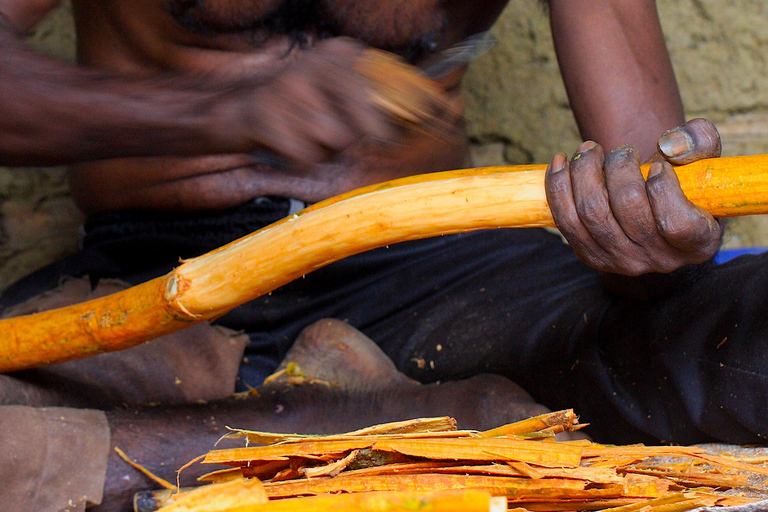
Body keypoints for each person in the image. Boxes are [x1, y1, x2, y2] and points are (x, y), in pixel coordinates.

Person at [0, 0, 752, 510]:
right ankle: (395, 423)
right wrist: (218, 112)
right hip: (158, 276)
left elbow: (653, 192)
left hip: (441, 274)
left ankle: (220, 440)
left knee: (736, 334)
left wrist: (647, 233)